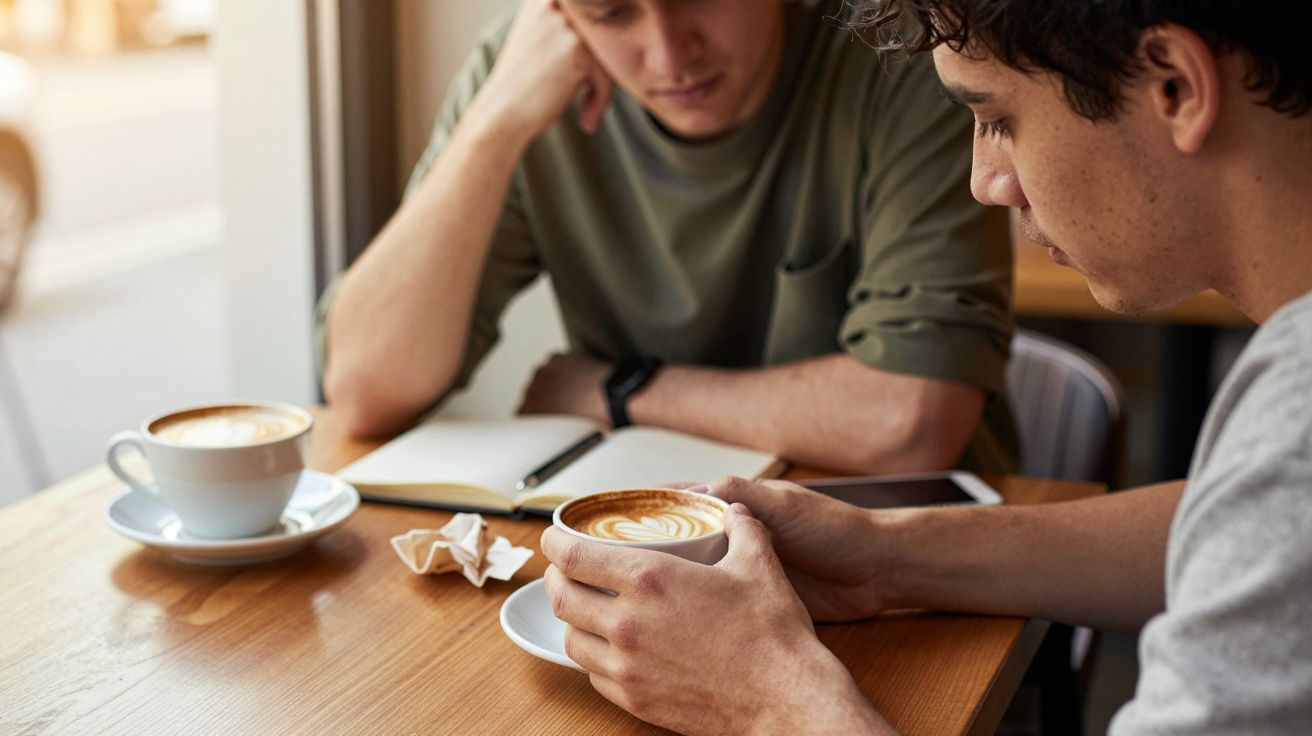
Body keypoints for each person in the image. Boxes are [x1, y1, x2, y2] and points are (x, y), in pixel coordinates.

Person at [541, 1, 1312, 733]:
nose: (987, 181)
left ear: (1174, 84)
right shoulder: (1280, 462)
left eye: (999, 119)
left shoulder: (1293, 426)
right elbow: (1244, 539)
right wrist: (888, 556)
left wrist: (770, 702)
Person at [317, 0, 1019, 475]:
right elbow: (365, 388)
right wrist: (491, 127)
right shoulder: (522, 71)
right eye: (612, 11)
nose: (668, 54)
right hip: (644, 547)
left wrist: (623, 394)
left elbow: (913, 422)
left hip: (910, 570)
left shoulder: (901, 46)